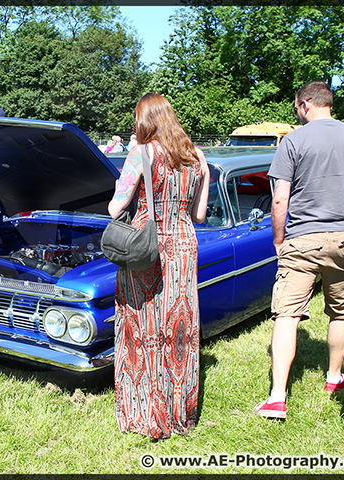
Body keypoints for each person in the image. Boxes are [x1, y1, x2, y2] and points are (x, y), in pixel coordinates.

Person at [254, 81, 344, 419]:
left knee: (287, 314)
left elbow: (280, 198)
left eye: (296, 107)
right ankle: (335, 378)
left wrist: (279, 239)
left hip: (302, 239)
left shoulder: (293, 140)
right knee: (342, 311)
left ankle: (277, 397)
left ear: (305, 104)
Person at [107, 92, 210, 440]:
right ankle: (179, 411)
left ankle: (146, 412)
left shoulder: (142, 152)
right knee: (178, 327)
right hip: (183, 245)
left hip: (146, 249)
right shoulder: (197, 157)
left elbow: (114, 208)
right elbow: (198, 215)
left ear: (145, 120)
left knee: (143, 327)